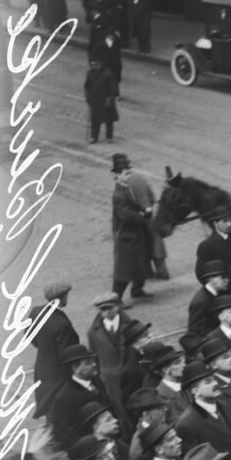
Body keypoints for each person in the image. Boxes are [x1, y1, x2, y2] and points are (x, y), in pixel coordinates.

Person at [112, 153, 154, 301]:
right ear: (117, 175)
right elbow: (126, 215)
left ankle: (137, 289)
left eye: (129, 173)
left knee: (141, 262)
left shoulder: (125, 188)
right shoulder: (117, 194)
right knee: (124, 270)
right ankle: (115, 298)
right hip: (126, 235)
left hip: (134, 233)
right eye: (126, 173)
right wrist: (143, 216)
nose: (129, 176)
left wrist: (143, 210)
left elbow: (133, 207)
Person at [84, 58, 118, 144]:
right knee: (95, 120)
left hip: (106, 100)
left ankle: (109, 137)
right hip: (95, 100)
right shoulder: (90, 73)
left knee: (109, 120)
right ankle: (94, 137)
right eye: (94, 64)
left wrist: (110, 99)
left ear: (101, 64)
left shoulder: (107, 74)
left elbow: (113, 87)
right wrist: (88, 97)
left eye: (97, 64)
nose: (95, 66)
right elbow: (87, 86)